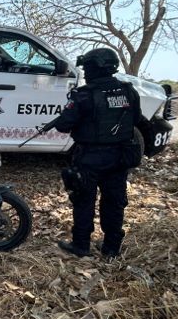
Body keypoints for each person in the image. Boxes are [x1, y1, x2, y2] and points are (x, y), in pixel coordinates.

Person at [52, 47, 141, 259]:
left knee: (84, 201)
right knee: (114, 202)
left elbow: (63, 125)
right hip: (119, 157)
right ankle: (111, 248)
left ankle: (81, 245)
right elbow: (136, 119)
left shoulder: (84, 95)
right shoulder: (128, 91)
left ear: (95, 68)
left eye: (87, 68)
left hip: (89, 157)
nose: (85, 72)